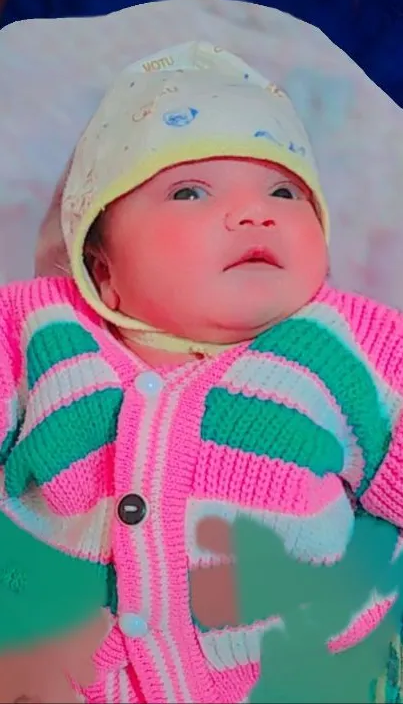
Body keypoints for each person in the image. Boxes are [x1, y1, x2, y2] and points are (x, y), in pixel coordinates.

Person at [0, 41, 402, 704]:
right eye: (189, 190)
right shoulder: (41, 329)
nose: (256, 211)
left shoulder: (348, 346)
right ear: (102, 270)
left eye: (284, 190)